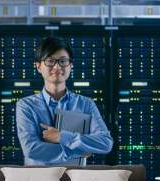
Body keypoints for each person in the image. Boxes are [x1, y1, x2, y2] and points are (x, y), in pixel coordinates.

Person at [16, 36, 113, 166]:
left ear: (71, 65)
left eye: (63, 61)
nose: (57, 67)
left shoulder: (86, 104)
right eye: (50, 61)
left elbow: (105, 143)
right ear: (38, 66)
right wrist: (77, 151)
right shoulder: (26, 106)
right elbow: (31, 149)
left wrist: (63, 137)